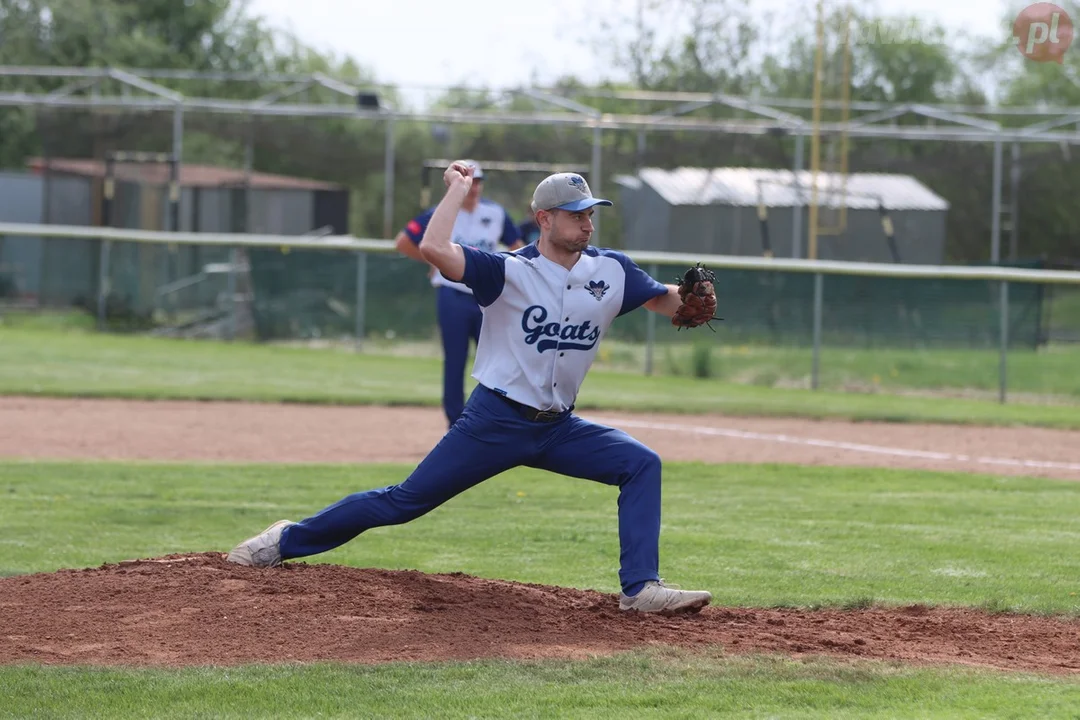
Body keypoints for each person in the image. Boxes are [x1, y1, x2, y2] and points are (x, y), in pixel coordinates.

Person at [226, 161, 715, 615]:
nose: (588, 223)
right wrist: (457, 193)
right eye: (575, 214)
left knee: (640, 463)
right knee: (403, 502)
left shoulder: (610, 270)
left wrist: (688, 296)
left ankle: (640, 589)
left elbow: (663, 300)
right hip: (495, 421)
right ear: (544, 219)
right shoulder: (506, 271)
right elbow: (435, 250)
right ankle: (286, 539)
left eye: (591, 213)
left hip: (558, 428)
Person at [394, 160, 524, 428]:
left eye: (478, 181)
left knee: (499, 360)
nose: (474, 187)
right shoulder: (442, 213)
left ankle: (502, 419)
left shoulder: (496, 213)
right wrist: (431, 260)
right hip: (452, 295)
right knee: (455, 361)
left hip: (487, 298)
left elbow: (517, 246)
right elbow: (403, 241)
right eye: (469, 180)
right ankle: (456, 425)